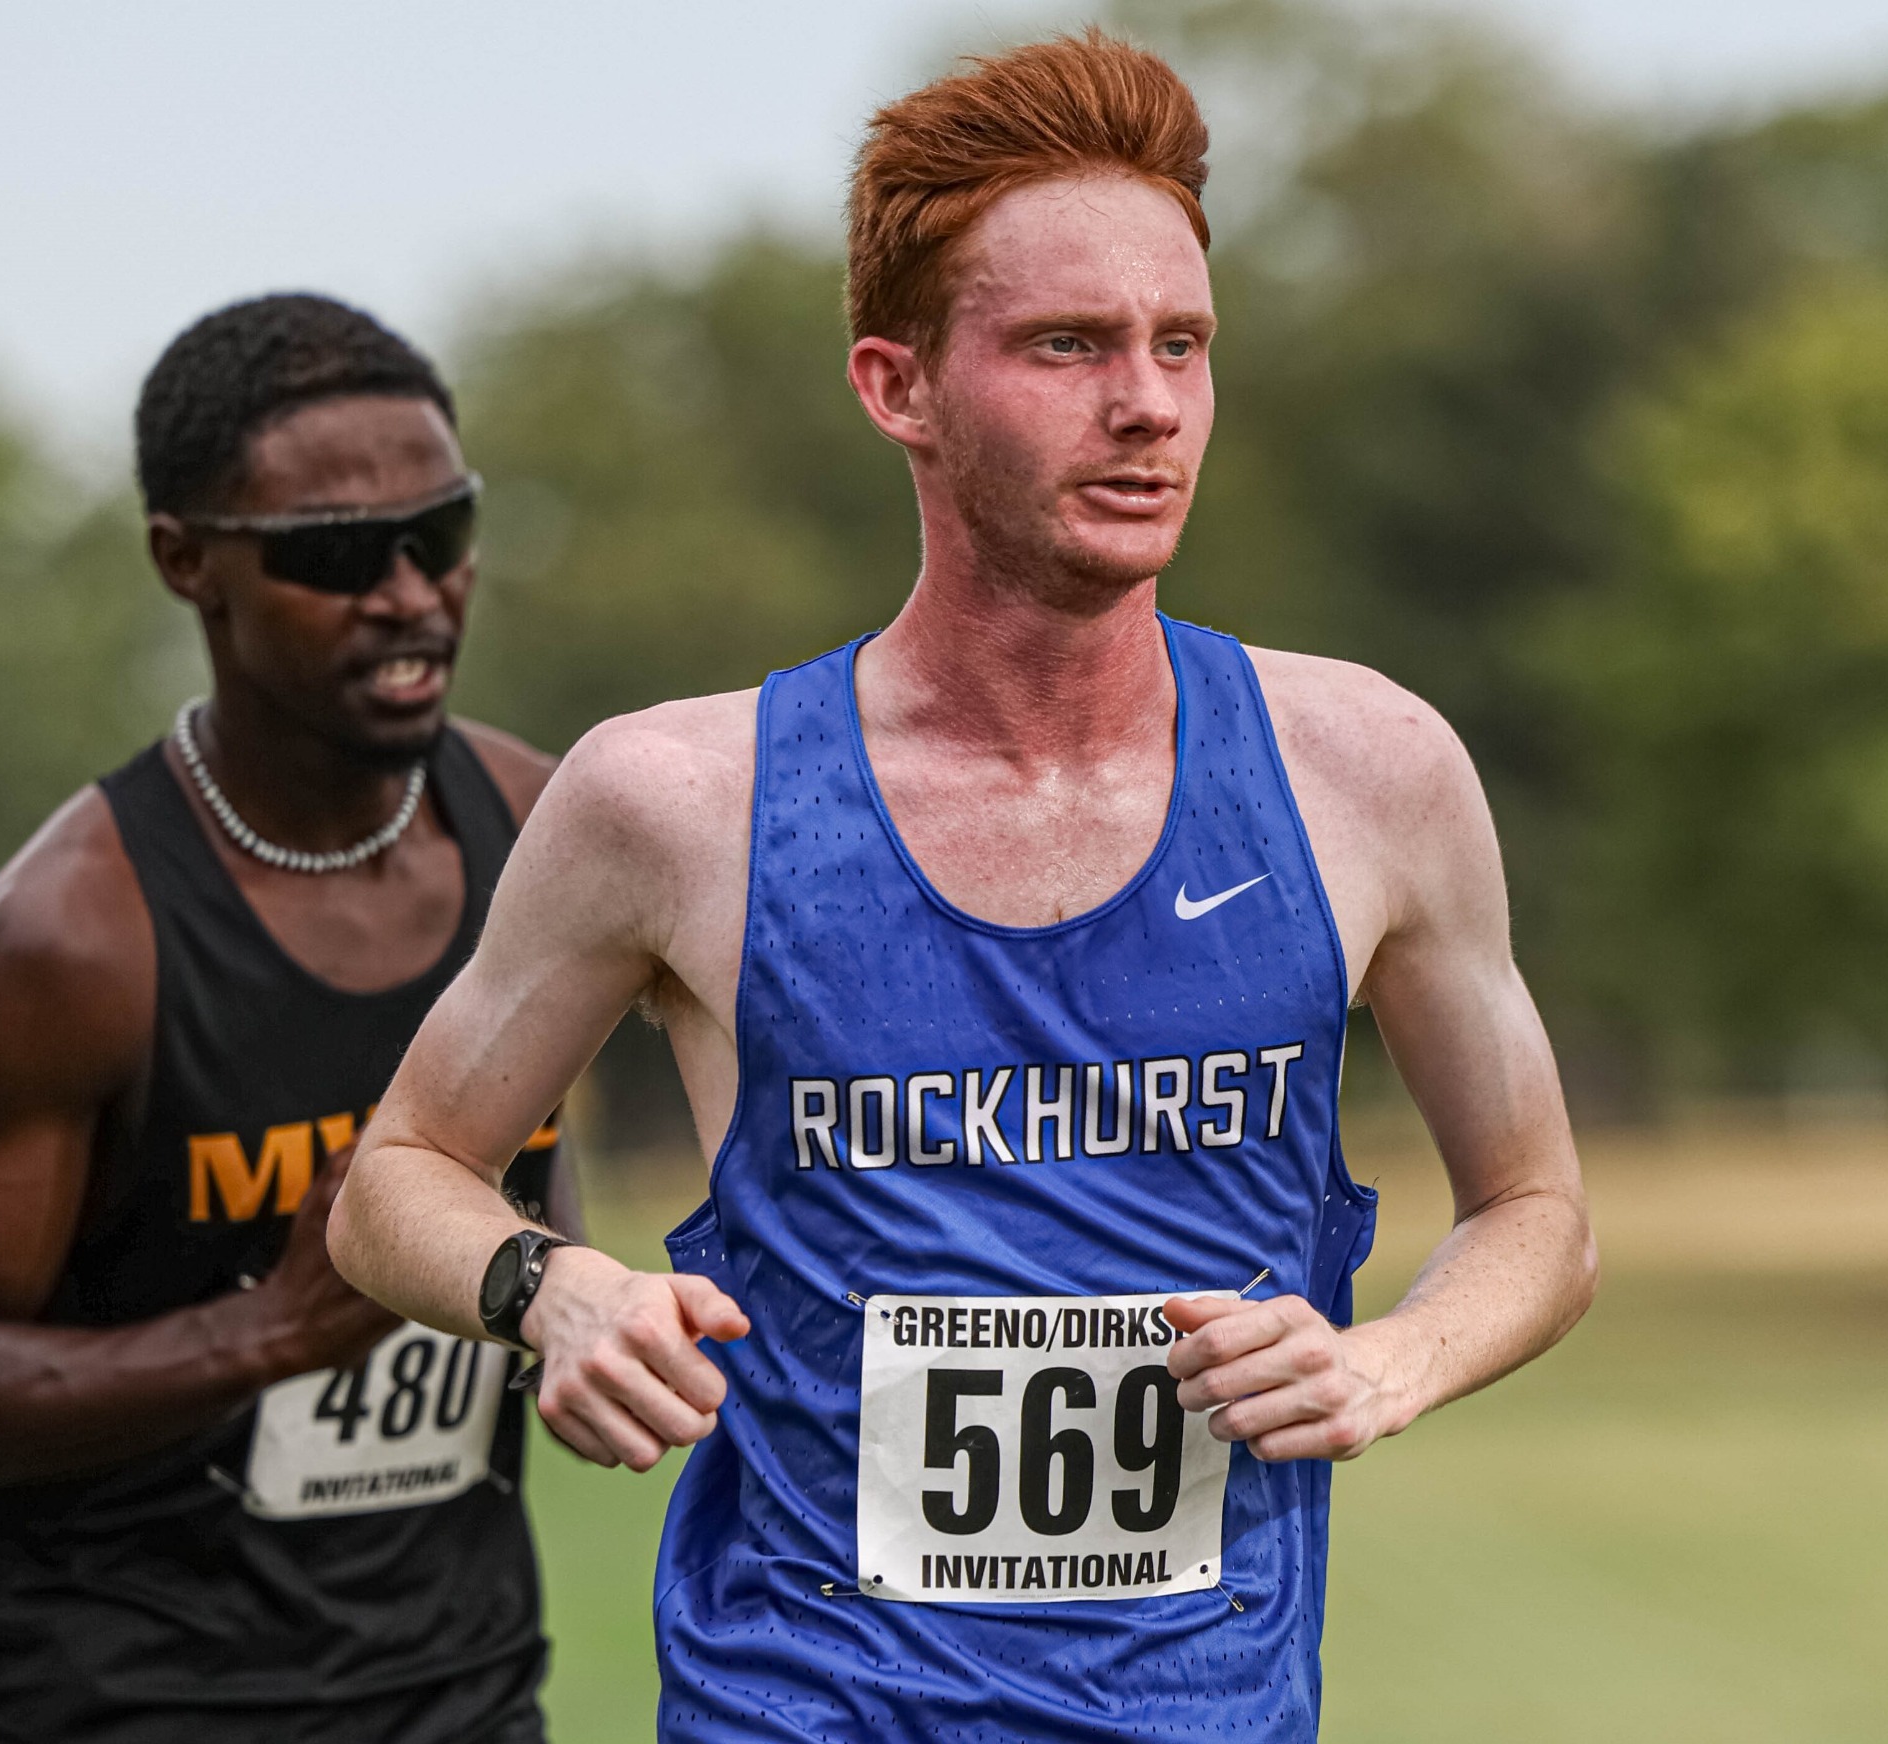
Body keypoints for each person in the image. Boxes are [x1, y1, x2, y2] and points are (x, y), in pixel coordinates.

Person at [329, 30, 1597, 1742]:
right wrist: (561, 1292)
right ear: (896, 384)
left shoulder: (1365, 771)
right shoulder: (680, 801)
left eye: (1182, 344)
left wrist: (1388, 1364)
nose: (1145, 401)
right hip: (802, 1706)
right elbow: (397, 1179)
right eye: (1065, 345)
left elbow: (1539, 1217)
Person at [0, 294, 574, 1744]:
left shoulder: (545, 833)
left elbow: (536, 1160)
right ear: (189, 563)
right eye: (341, 554)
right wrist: (270, 1337)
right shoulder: (71, 943)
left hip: (469, 1693)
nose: (413, 592)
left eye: (444, 531)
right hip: (133, 1703)